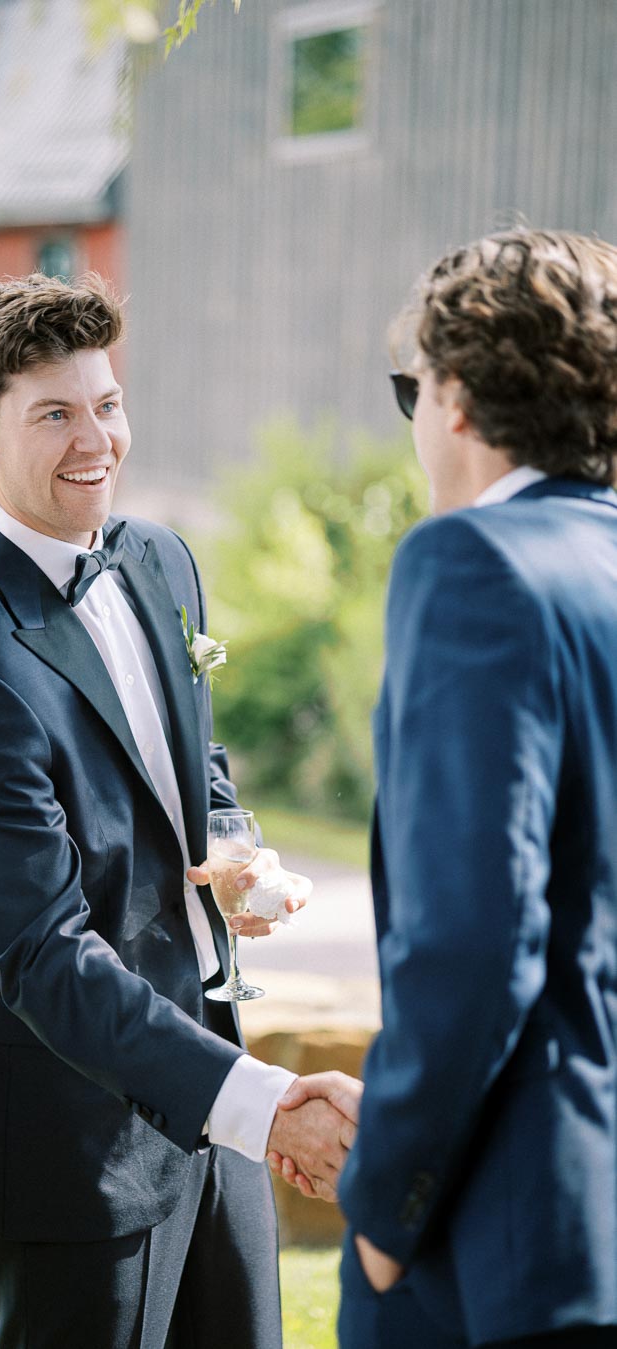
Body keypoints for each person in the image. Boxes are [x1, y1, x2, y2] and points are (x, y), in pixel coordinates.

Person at [0, 271, 361, 1348]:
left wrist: (236, 845)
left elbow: (194, 765)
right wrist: (265, 1099)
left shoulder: (160, 558)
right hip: (73, 1153)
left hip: (214, 1106)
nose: (94, 439)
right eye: (53, 413)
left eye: (105, 404)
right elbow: (42, 955)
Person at [274, 227, 617, 1347]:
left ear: (455, 396)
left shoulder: (473, 564)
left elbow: (475, 934)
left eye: (407, 386)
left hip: (503, 1238)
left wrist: (388, 1201)